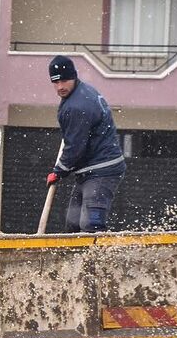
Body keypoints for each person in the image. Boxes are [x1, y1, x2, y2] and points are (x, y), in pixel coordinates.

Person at [46, 55, 126, 232]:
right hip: (88, 170)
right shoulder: (81, 92)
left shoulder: (78, 105)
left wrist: (59, 171)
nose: (60, 87)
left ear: (74, 76)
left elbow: (75, 147)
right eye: (55, 82)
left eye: (64, 81)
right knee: (73, 225)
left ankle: (99, 258)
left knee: (91, 225)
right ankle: (74, 260)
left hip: (102, 169)